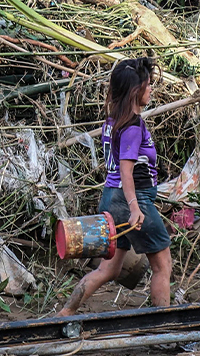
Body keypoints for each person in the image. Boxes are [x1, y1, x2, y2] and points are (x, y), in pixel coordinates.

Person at [58, 57, 173, 316]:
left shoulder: (112, 122)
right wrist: (135, 208)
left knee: (108, 269)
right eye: (147, 84)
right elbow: (126, 171)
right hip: (131, 201)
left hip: (111, 199)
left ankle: (66, 313)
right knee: (163, 265)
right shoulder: (132, 126)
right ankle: (162, 325)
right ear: (136, 90)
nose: (151, 89)